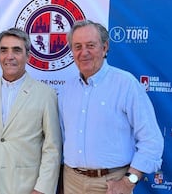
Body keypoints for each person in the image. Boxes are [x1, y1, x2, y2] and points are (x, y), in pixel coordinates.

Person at [59, 20, 164, 194]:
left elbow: (151, 140)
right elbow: (62, 138)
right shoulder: (66, 89)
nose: (83, 52)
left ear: (105, 47)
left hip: (112, 185)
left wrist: (129, 182)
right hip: (72, 182)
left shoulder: (126, 84)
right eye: (77, 46)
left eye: (90, 45)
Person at [0, 28, 62, 194]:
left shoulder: (46, 94)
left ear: (28, 56)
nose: (9, 56)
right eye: (4, 50)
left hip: (27, 187)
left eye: (17, 50)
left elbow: (52, 148)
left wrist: (42, 188)